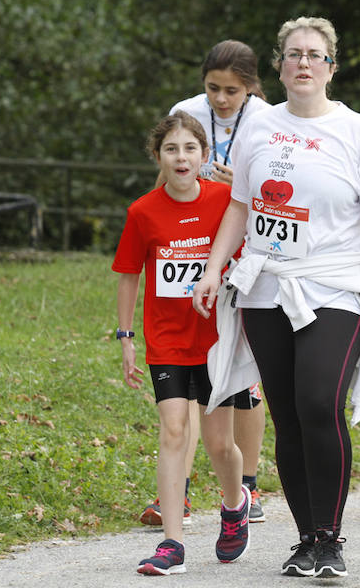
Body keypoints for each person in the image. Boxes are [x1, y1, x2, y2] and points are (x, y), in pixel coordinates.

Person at [192, 16, 360, 579]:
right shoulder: (258, 128)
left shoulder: (359, 133)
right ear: (280, 65)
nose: (304, 63)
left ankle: (331, 538)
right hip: (265, 286)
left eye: (315, 54)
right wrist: (215, 268)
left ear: (331, 65)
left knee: (318, 402)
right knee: (286, 416)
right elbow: (240, 206)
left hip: (336, 283)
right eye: (293, 55)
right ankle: (306, 537)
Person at [139, 39, 271, 527]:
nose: (220, 99)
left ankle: (248, 486)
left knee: (242, 383)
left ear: (252, 87)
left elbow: (282, 193)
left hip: (248, 251)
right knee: (192, 384)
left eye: (232, 91)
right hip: (191, 249)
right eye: (213, 88)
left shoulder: (269, 120)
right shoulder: (186, 112)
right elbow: (167, 174)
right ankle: (183, 490)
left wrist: (244, 184)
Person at [114, 112, 250, 575]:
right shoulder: (142, 211)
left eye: (190, 148)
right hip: (167, 341)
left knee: (218, 443)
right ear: (159, 157)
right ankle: (172, 543)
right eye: (171, 149)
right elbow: (129, 274)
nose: (181, 157)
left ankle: (235, 504)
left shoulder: (227, 202)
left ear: (205, 156)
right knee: (173, 432)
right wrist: (126, 336)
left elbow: (250, 257)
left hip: (218, 339)